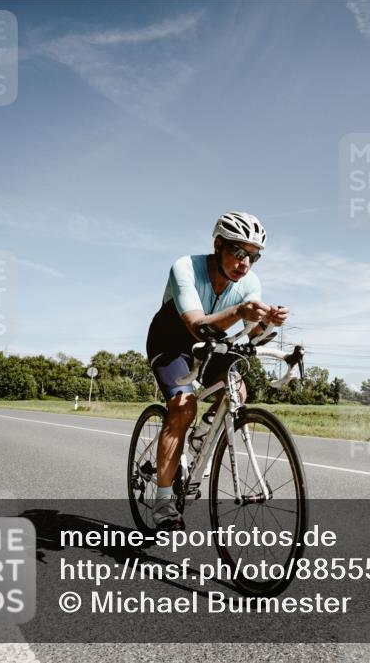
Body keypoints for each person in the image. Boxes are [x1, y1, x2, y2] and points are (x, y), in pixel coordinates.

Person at [145, 212, 287, 530]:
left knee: (237, 388)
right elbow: (196, 326)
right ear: (218, 244)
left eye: (254, 256)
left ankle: (201, 437)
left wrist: (266, 323)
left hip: (213, 340)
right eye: (238, 252)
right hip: (171, 339)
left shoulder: (250, 283)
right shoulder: (185, 267)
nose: (245, 263)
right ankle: (164, 501)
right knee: (183, 406)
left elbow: (250, 336)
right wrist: (238, 310)